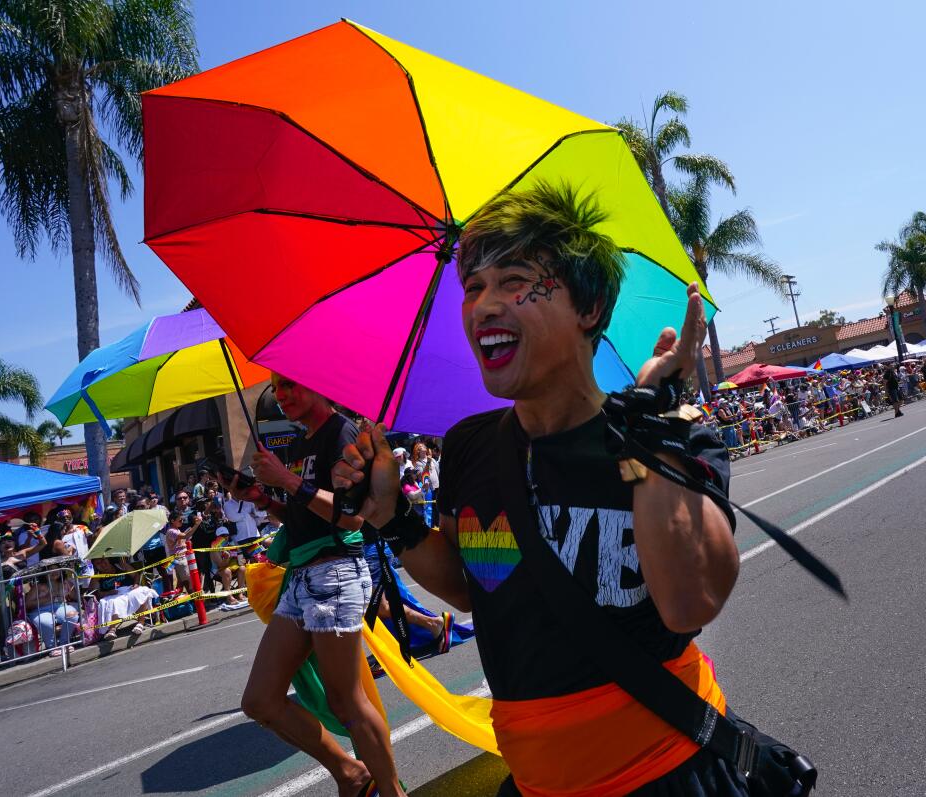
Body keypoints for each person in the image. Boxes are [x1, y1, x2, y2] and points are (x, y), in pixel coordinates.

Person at [335, 183, 742, 796]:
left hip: (669, 772)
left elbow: (690, 603)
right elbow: (475, 589)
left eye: (514, 280)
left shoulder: (675, 436)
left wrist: (653, 421)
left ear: (589, 305)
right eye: (473, 287)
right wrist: (392, 517)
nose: (482, 307)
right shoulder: (470, 445)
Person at [220, 374, 403, 797]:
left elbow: (352, 517)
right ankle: (351, 774)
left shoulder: (343, 434)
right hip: (302, 578)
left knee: (347, 701)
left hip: (336, 572)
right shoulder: (303, 443)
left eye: (290, 386)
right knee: (260, 700)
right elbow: (304, 519)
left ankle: (392, 793)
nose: (282, 397)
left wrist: (285, 479)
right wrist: (261, 498)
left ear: (319, 385)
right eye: (277, 389)